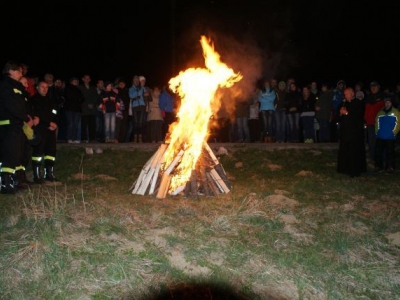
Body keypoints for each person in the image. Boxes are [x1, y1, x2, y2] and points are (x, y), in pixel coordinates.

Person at [0, 61, 34, 194]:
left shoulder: (15, 86)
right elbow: (13, 106)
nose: (21, 73)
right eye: (19, 71)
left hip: (16, 125)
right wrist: (26, 117)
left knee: (16, 154)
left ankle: (14, 182)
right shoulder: (6, 85)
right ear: (11, 71)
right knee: (9, 154)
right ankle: (5, 185)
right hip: (8, 125)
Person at [29, 81, 59, 183]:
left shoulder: (50, 101)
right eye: (42, 87)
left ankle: (49, 174)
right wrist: (49, 123)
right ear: (37, 88)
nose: (45, 89)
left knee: (51, 152)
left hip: (50, 130)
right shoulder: (34, 100)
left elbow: (55, 112)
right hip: (40, 130)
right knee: (38, 152)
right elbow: (38, 115)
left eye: (46, 87)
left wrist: (54, 123)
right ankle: (36, 176)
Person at [337, 87, 366, 177]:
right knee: (345, 149)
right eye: (345, 94)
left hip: (355, 131)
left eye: (347, 94)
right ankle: (344, 168)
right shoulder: (344, 103)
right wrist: (341, 113)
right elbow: (340, 116)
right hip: (345, 131)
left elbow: (358, 117)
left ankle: (354, 170)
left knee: (354, 150)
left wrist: (347, 113)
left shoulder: (358, 103)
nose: (346, 96)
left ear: (352, 93)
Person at [374, 97, 400, 174]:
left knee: (390, 153)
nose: (387, 103)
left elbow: (398, 124)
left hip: (390, 137)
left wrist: (393, 133)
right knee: (378, 152)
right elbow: (376, 123)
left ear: (391, 103)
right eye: (386, 102)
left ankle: (390, 167)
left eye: (389, 102)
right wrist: (377, 132)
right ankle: (379, 166)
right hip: (380, 136)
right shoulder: (380, 113)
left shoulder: (396, 112)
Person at [364, 81, 385, 162]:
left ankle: (381, 159)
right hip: (370, 124)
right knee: (371, 143)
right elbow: (366, 111)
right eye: (372, 86)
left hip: (380, 124)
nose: (373, 88)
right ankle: (374, 159)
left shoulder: (383, 97)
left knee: (380, 142)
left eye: (375, 86)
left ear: (378, 87)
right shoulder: (368, 98)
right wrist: (365, 120)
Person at [79, 74, 98, 143]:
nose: (87, 79)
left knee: (92, 125)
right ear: (83, 79)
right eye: (85, 78)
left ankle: (92, 138)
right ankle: (84, 138)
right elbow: (80, 97)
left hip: (92, 109)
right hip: (84, 109)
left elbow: (96, 96)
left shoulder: (93, 88)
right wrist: (87, 104)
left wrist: (92, 103)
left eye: (88, 78)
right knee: (84, 125)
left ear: (90, 80)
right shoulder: (80, 87)